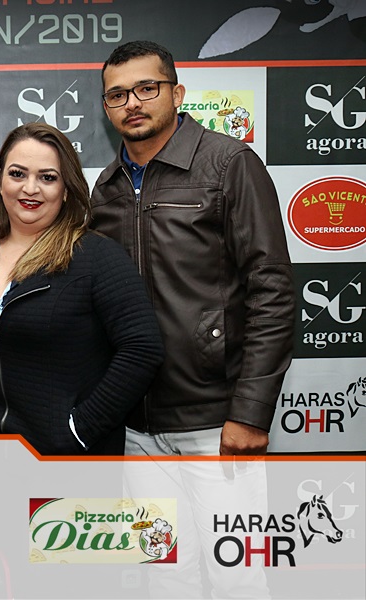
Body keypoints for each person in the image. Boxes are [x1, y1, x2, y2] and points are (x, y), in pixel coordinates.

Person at [91, 40, 295, 597]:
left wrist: (250, 411)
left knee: (237, 578)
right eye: (117, 95)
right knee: (164, 575)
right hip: (137, 429)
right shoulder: (105, 189)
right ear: (106, 108)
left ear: (177, 93)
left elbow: (273, 291)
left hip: (217, 426)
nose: (133, 103)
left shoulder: (229, 164)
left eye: (146, 88)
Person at [0, 122, 164, 456]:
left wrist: (79, 431)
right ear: (0, 182)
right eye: (17, 174)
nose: (30, 188)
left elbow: (142, 348)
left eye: (47, 178)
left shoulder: (95, 256)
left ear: (65, 190)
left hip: (69, 462)